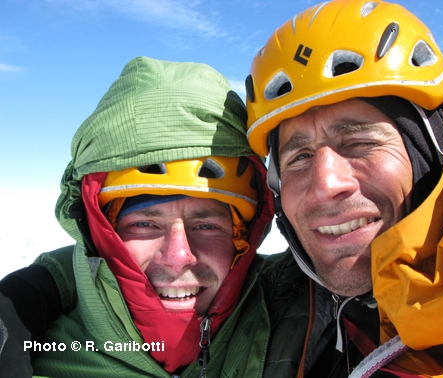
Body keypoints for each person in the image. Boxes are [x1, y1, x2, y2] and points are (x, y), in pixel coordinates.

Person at [245, 0, 443, 376]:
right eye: (299, 157)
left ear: (427, 154)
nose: (326, 185)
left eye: (359, 143)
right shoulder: (272, 308)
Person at [0, 56, 275, 377]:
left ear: (243, 236)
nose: (178, 257)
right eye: (145, 223)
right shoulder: (41, 351)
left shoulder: (291, 319)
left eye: (207, 225)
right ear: (99, 231)